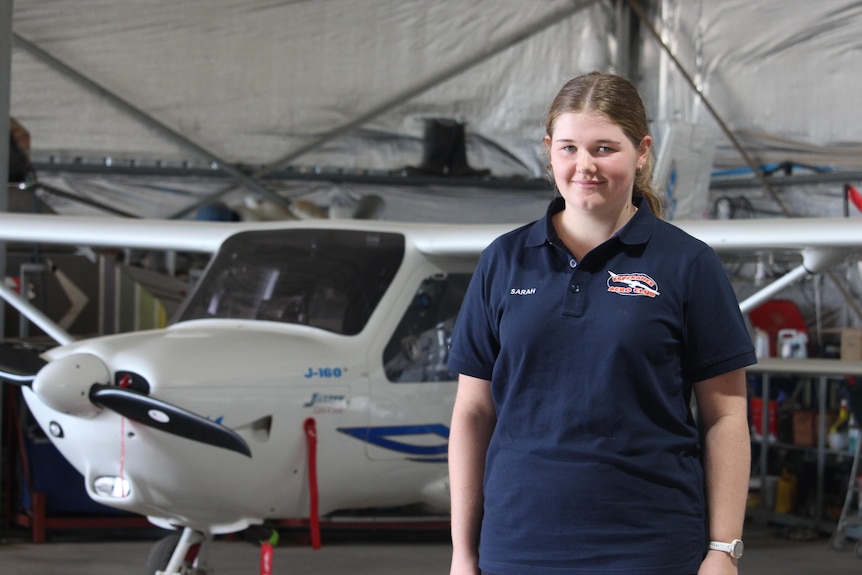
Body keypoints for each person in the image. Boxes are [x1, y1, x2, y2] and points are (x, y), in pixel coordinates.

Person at [447, 71, 756, 575]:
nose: (584, 165)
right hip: (518, 546)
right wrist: (463, 552)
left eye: (604, 148)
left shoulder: (688, 264)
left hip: (650, 546)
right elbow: (472, 414)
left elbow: (725, 417)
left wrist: (724, 550)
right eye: (568, 147)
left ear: (642, 152)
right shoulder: (502, 262)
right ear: (549, 150)